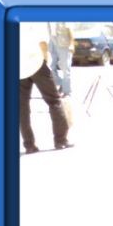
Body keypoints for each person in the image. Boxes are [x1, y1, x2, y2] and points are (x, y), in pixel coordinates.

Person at [20, 22, 72, 154]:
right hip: (36, 63)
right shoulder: (34, 21)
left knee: (22, 108)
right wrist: (45, 61)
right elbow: (42, 43)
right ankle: (61, 140)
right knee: (54, 101)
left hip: (18, 66)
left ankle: (29, 145)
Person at [47, 22, 74, 97]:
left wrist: (71, 44)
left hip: (63, 43)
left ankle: (67, 91)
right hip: (51, 43)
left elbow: (70, 30)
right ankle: (61, 83)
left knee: (65, 69)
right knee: (50, 67)